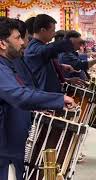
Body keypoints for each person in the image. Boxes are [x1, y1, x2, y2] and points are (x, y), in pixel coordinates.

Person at [0, 17, 75, 180]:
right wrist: (59, 99)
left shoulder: (7, 64)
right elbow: (19, 95)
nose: (23, 43)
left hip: (12, 141)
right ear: (2, 44)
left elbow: (24, 90)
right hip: (5, 146)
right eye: (18, 38)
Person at [24, 14, 75, 92]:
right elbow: (48, 49)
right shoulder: (35, 48)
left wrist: (60, 66)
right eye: (52, 30)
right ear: (43, 30)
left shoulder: (40, 46)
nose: (54, 34)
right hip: (43, 97)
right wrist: (71, 43)